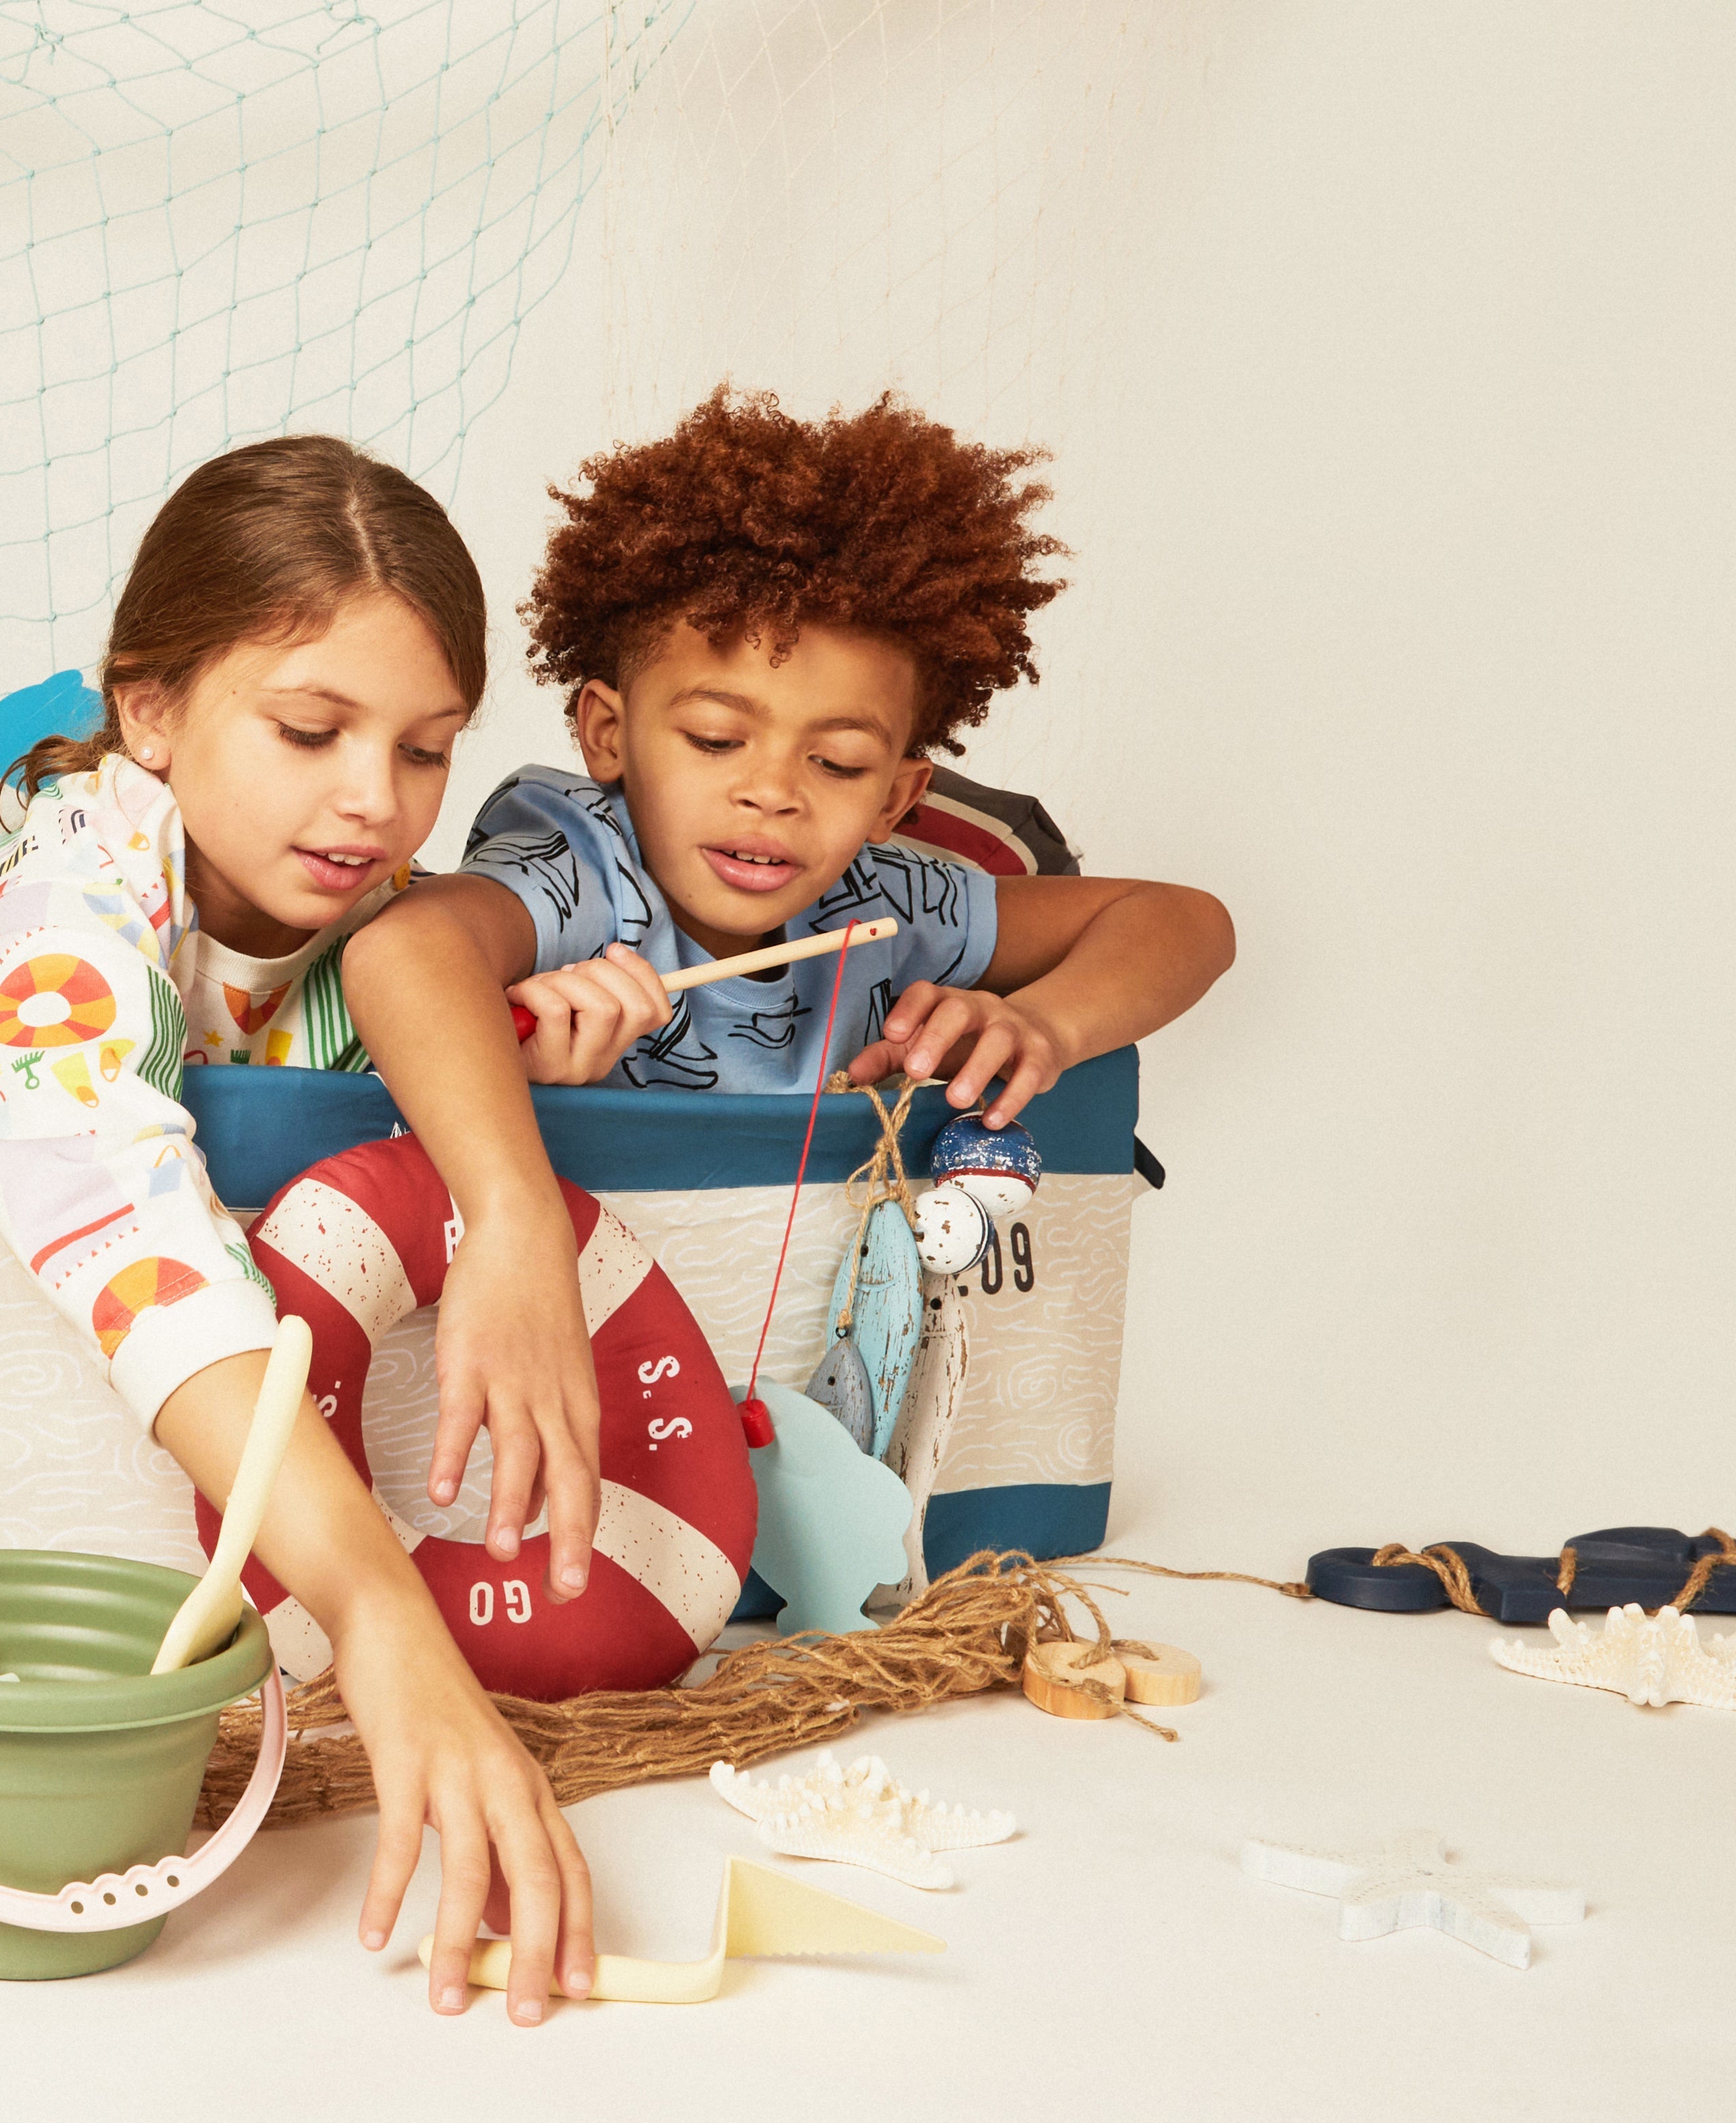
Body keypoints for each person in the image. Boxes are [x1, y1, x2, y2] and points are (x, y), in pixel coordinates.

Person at [0, 435, 602, 2024]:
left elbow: (401, 1003)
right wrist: (379, 1616)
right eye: (307, 728)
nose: (373, 800)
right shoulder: (62, 921)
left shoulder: (377, 917)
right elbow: (136, 1235)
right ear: (147, 708)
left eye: (424, 750)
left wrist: (521, 1167)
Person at [338, 386, 1233, 1602]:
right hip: (587, 1435)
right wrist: (510, 1212)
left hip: (839, 1442)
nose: (774, 793)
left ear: (902, 793)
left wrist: (1043, 1022)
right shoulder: (579, 863)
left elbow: (1188, 923)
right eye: (715, 739)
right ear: (608, 733)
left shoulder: (896, 898)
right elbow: (401, 953)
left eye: (839, 762)